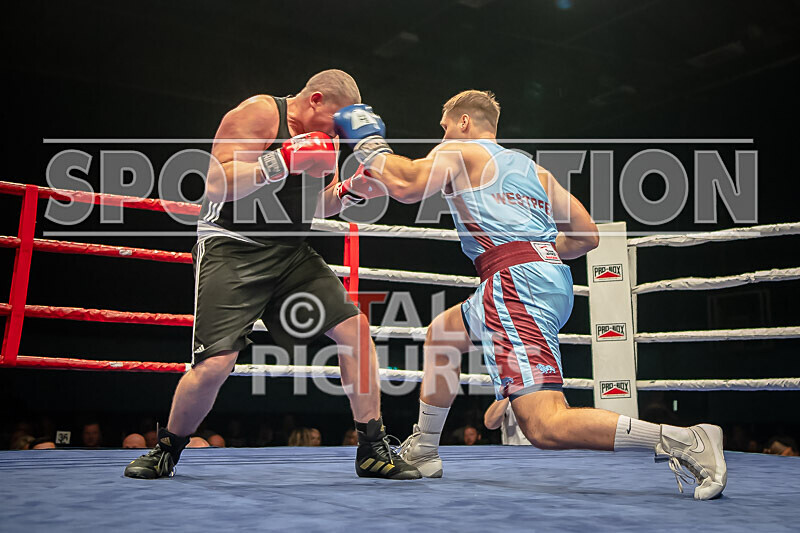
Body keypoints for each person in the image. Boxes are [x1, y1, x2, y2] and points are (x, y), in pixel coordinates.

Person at [334, 90, 727, 499]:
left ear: (464, 123)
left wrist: (369, 146)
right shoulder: (533, 170)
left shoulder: (458, 150)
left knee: (543, 425)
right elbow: (587, 235)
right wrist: (535, 254)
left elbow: (409, 183)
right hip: (547, 280)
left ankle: (683, 440)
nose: (443, 133)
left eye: (446, 125)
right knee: (444, 333)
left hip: (514, 284)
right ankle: (425, 448)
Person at [124, 70, 419, 480]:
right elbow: (215, 183)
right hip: (232, 246)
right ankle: (166, 448)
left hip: (289, 252)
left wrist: (349, 190)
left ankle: (371, 448)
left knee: (355, 331)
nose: (337, 133)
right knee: (216, 364)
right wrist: (280, 158)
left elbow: (314, 205)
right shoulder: (261, 114)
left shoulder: (328, 138)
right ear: (315, 99)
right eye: (334, 122)